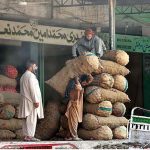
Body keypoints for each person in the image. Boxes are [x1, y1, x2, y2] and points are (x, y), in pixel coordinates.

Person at [18, 60, 44, 141]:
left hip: (25, 100)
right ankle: (30, 136)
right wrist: (36, 100)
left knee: (26, 118)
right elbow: (33, 90)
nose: (36, 68)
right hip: (31, 101)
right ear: (31, 66)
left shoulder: (23, 76)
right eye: (35, 66)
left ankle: (26, 136)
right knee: (31, 119)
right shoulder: (31, 76)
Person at [64, 74, 93, 140]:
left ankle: (68, 136)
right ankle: (74, 136)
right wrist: (76, 80)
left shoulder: (78, 85)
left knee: (71, 121)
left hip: (75, 105)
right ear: (83, 81)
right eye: (86, 82)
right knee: (74, 121)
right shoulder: (77, 86)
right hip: (74, 105)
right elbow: (76, 92)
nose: (86, 84)